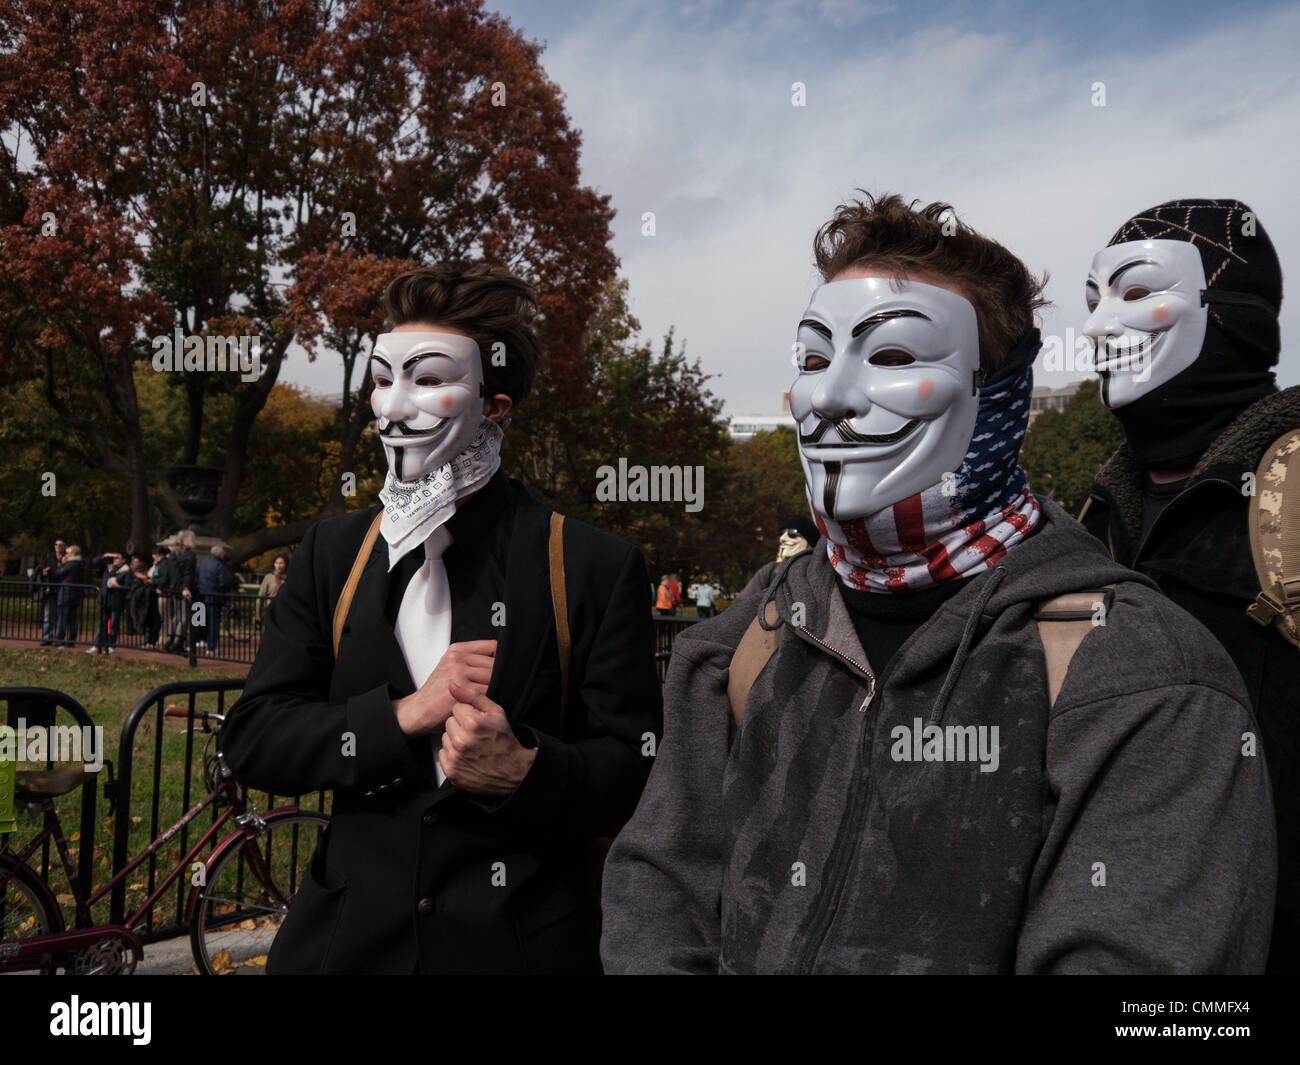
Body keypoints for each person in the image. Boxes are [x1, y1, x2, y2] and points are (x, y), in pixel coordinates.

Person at [600, 192, 1276, 974]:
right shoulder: (748, 633)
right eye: (814, 359)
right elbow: (659, 885)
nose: (830, 398)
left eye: (891, 357)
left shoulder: (1146, 677)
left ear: (1002, 397)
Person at [219, 263, 662, 974]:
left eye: (427, 379)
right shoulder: (334, 555)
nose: (393, 407)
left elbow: (638, 769)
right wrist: (398, 718)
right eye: (383, 378)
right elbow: (254, 736)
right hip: (344, 951)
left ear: (497, 404)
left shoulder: (589, 566)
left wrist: (528, 769)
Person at [1077, 198, 1298, 974]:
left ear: (1230, 310)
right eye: (1093, 300)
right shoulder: (1093, 521)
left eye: (1136, 292)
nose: (1101, 329)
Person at [87, 550, 133, 655]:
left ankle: (111, 645)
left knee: (113, 624)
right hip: (105, 599)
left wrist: (118, 586)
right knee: (102, 623)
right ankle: (97, 645)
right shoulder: (108, 568)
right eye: (114, 558)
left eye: (117, 558)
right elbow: (95, 561)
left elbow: (129, 587)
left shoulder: (126, 571)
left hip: (116, 601)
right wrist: (105, 555)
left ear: (124, 560)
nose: (115, 560)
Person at [196, 544, 233, 656]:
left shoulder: (201, 565)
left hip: (200, 597)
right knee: (213, 624)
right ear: (220, 554)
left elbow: (196, 580)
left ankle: (195, 642)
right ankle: (211, 647)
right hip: (214, 598)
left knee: (198, 622)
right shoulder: (220, 566)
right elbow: (224, 583)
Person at [34, 538, 67, 645]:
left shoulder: (68, 558)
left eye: (60, 545)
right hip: (51, 591)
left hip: (63, 591)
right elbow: (41, 570)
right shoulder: (49, 558)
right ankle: (47, 637)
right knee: (48, 615)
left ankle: (60, 639)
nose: (58, 546)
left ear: (65, 546)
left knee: (61, 616)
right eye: (56, 544)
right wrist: (44, 572)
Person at [52, 545, 85, 648]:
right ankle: (71, 640)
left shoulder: (70, 564)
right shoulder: (80, 564)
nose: (66, 555)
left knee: (63, 618)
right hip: (76, 594)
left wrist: (62, 564)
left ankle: (60, 640)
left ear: (73, 554)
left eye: (68, 553)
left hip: (66, 593)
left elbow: (57, 573)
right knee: (73, 619)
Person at [256, 555, 288, 628]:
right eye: (276, 563)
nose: (278, 566)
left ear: (286, 565)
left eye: (281, 563)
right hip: (270, 610)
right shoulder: (269, 577)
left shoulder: (289, 578)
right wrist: (257, 614)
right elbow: (260, 596)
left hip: (285, 611)